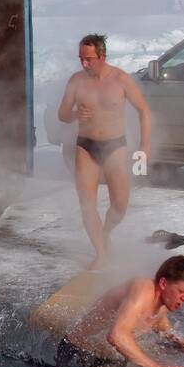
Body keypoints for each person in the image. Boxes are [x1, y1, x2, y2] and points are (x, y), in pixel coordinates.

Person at [57, 34, 152, 270]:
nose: (84, 64)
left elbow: (144, 111)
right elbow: (62, 114)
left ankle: (106, 232)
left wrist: (145, 146)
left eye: (89, 59)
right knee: (87, 204)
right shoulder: (76, 81)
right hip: (85, 147)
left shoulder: (120, 79)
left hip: (115, 147)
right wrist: (75, 116)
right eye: (81, 59)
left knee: (120, 205)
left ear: (102, 56)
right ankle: (100, 252)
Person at [44, 255, 184, 367]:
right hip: (76, 351)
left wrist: (182, 341)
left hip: (102, 356)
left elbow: (159, 323)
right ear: (163, 284)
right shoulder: (143, 290)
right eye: (182, 292)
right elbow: (116, 336)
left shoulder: (162, 301)